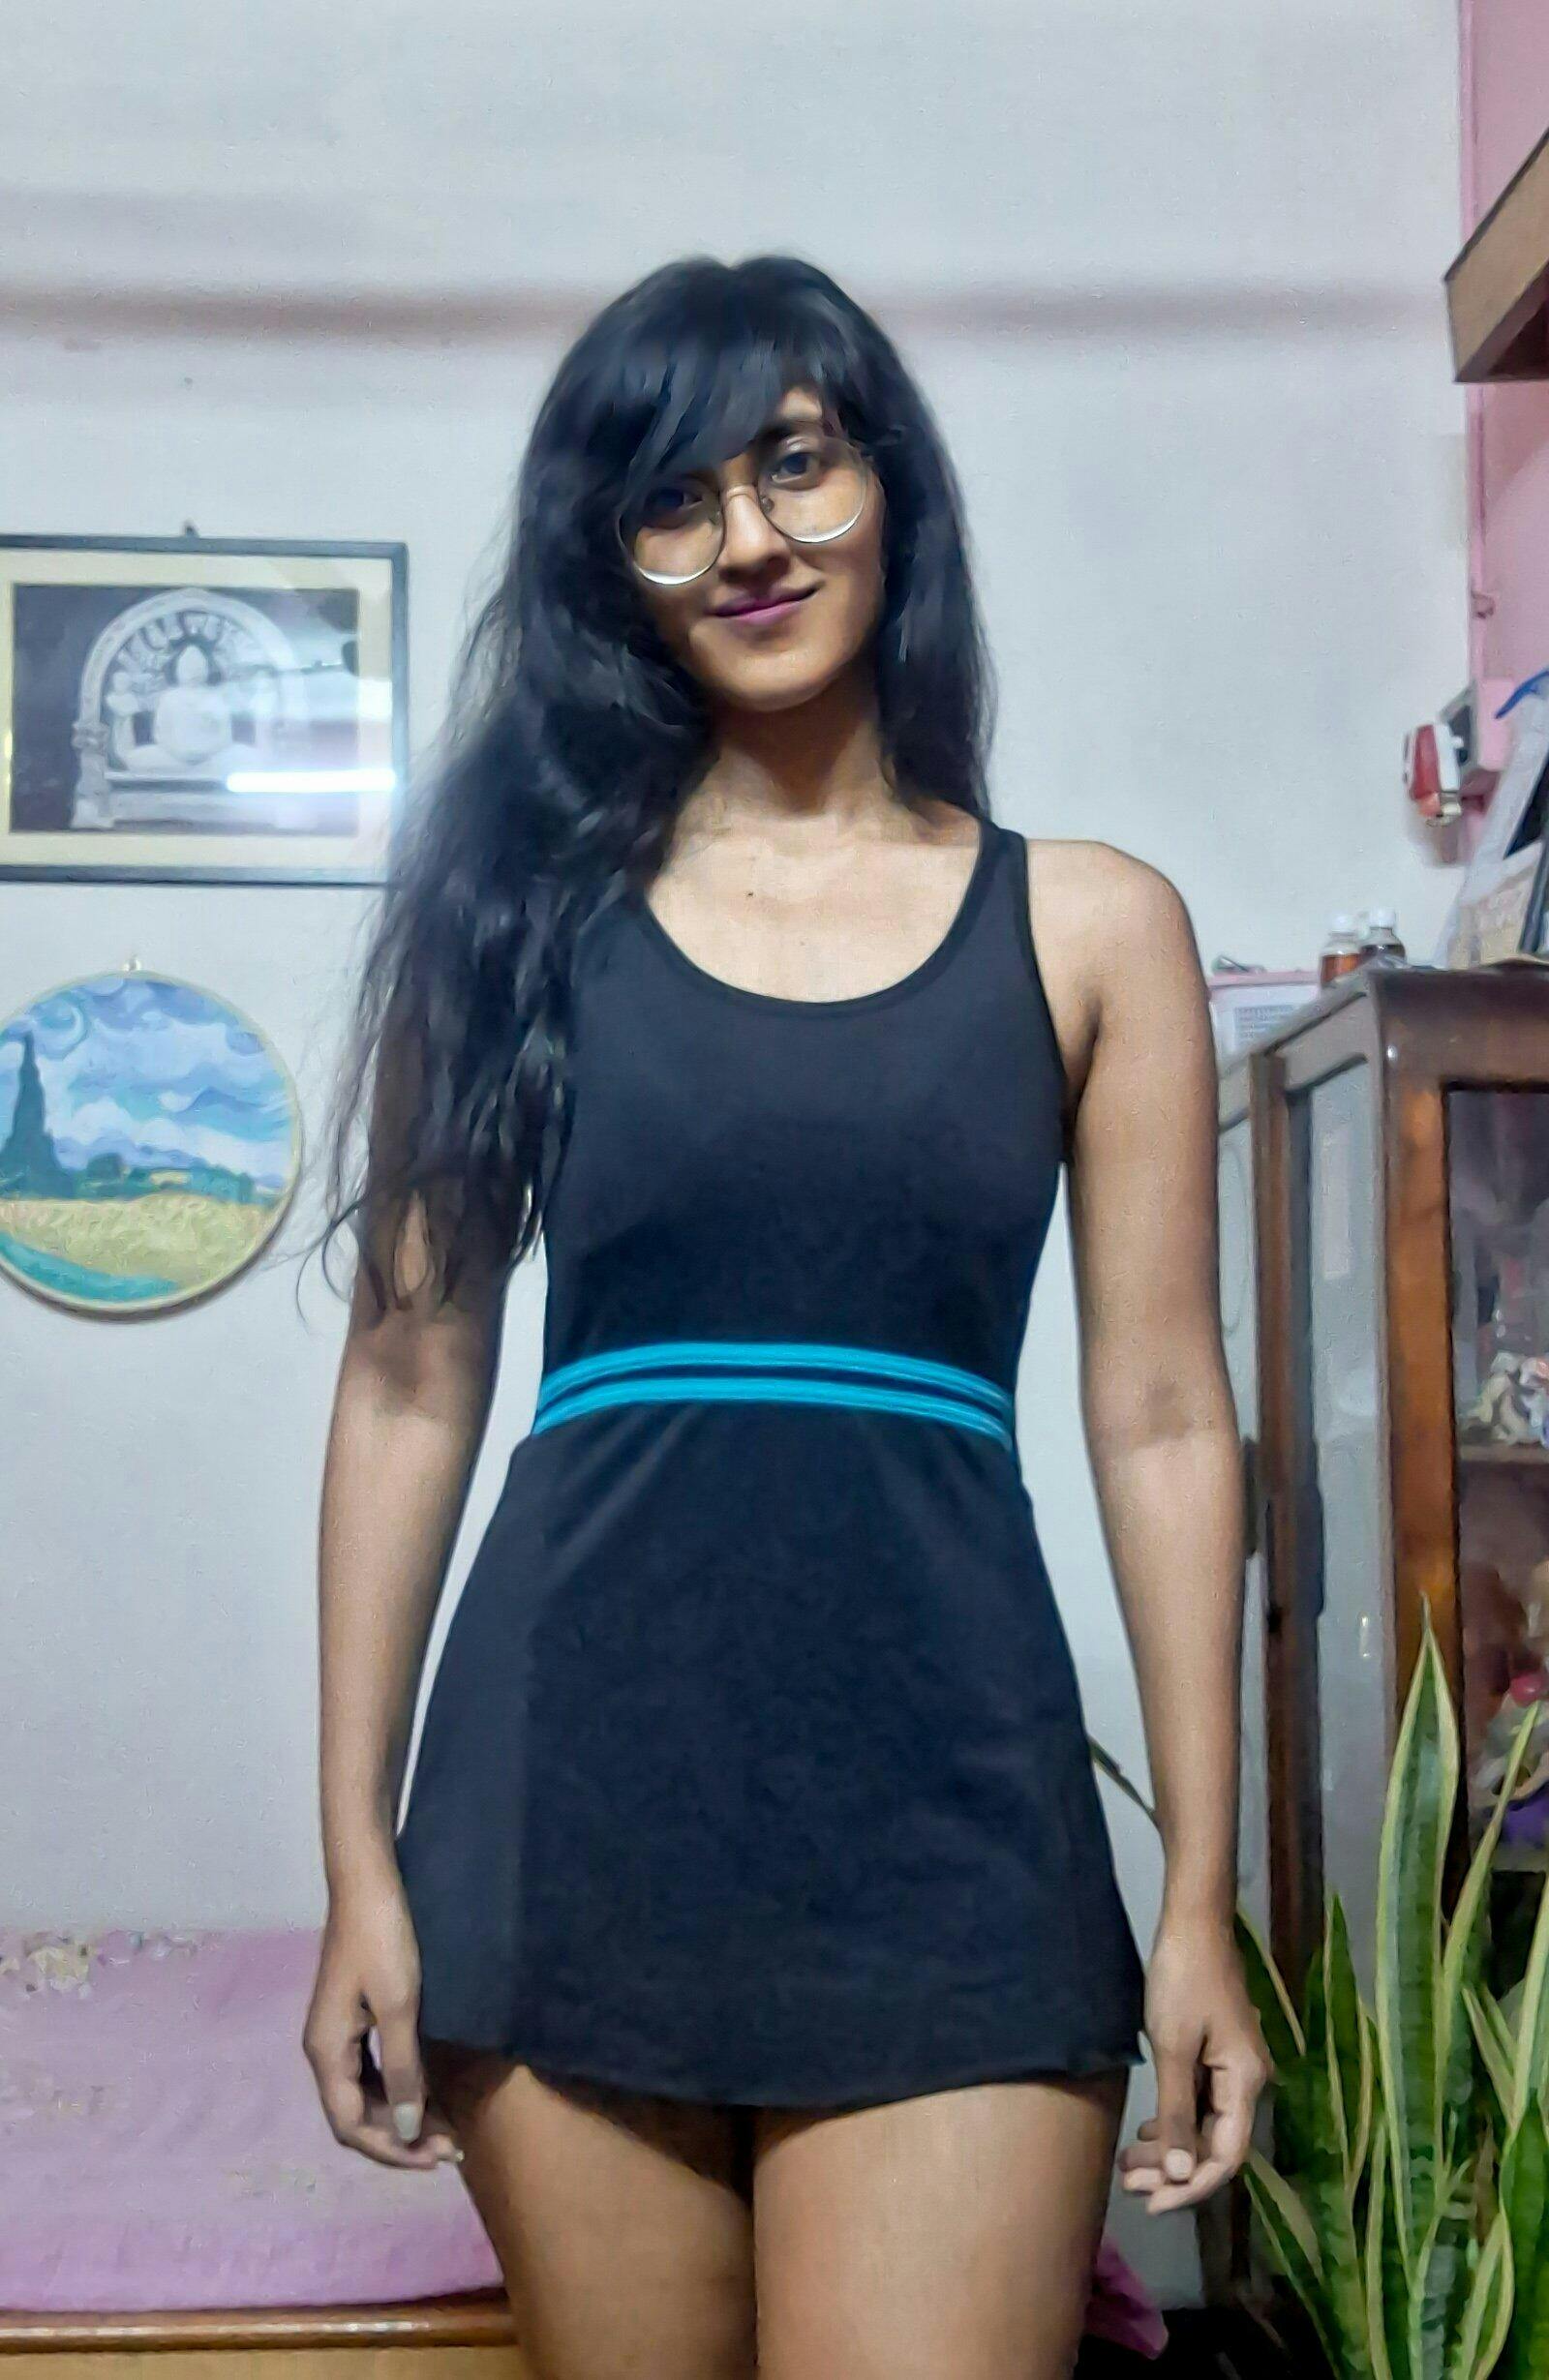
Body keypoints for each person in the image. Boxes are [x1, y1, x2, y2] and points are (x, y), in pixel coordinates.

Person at [302, 253, 1269, 2380]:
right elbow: (408, 1380)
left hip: (954, 1820)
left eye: (798, 465)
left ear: (889, 487)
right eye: (674, 497)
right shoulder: (511, 919)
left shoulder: (1095, 928)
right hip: (566, 1802)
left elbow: (1161, 1416)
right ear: (612, 564)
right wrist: (360, 1857)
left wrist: (1196, 1894)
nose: (747, 537)